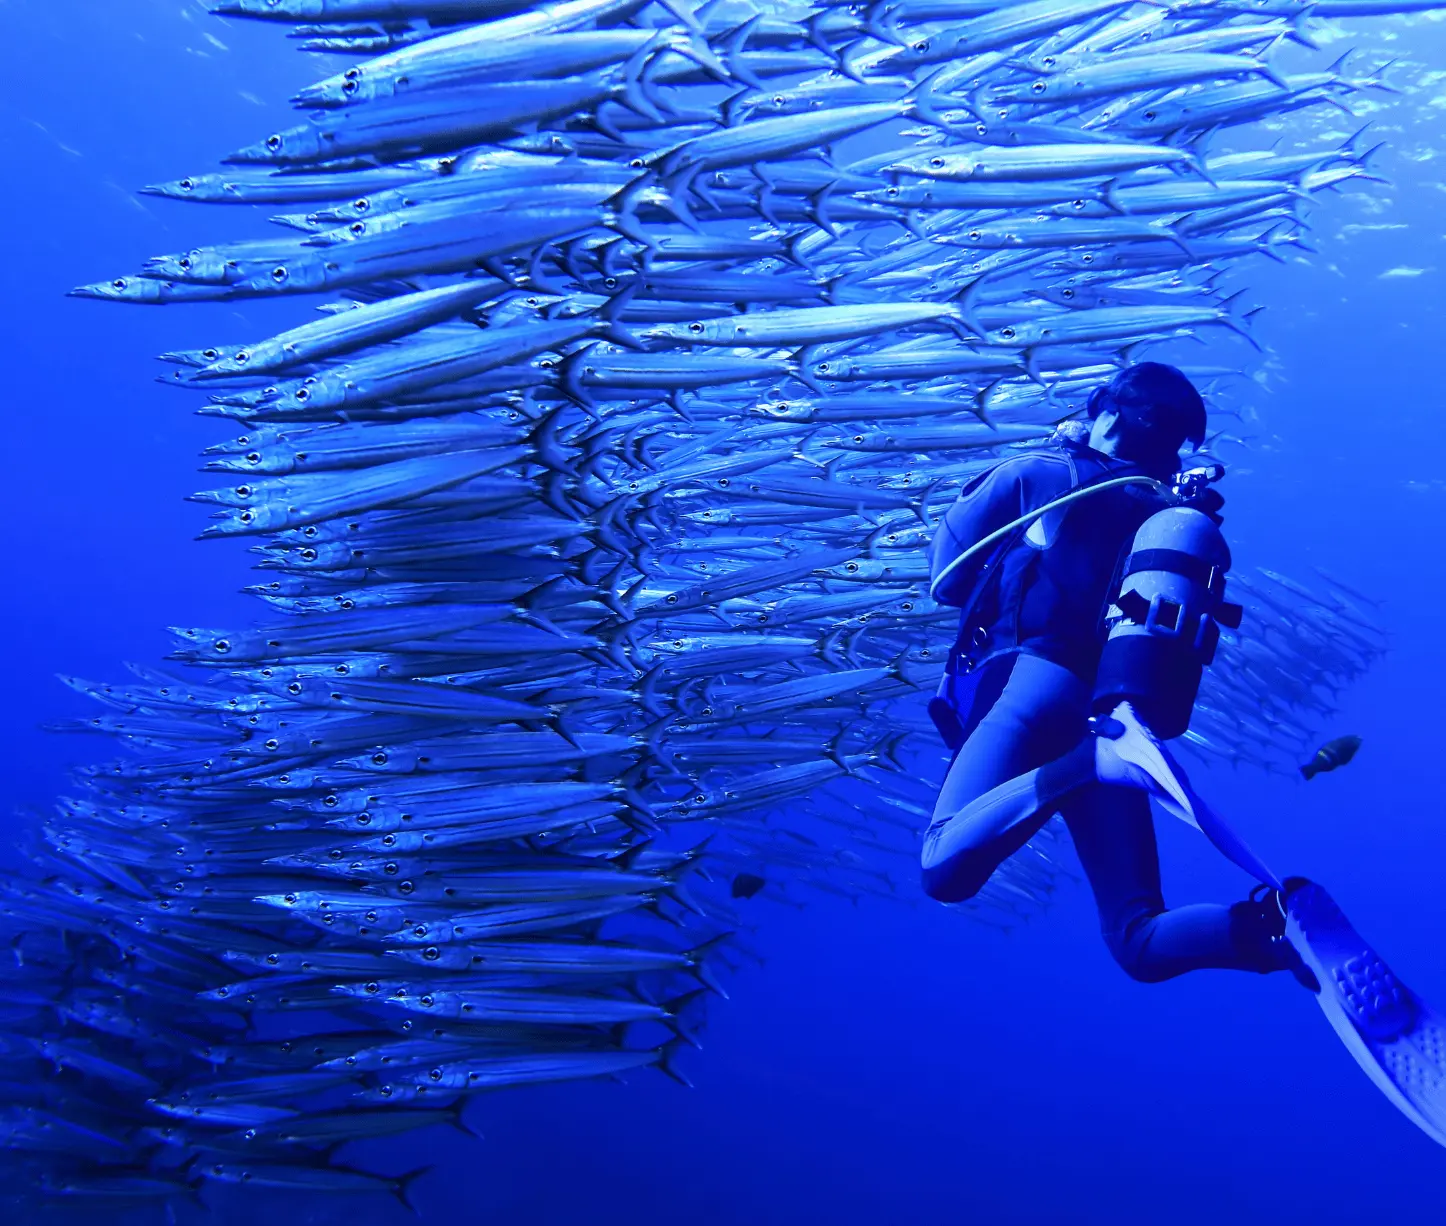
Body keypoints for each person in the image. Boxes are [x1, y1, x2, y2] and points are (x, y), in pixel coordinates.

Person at [921, 362, 1300, 983]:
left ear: (1106, 408)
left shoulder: (1044, 472)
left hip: (1030, 685)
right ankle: (1275, 934)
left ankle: (1093, 764)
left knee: (944, 868)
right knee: (1138, 937)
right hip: (1112, 709)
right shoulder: (1167, 512)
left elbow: (946, 577)